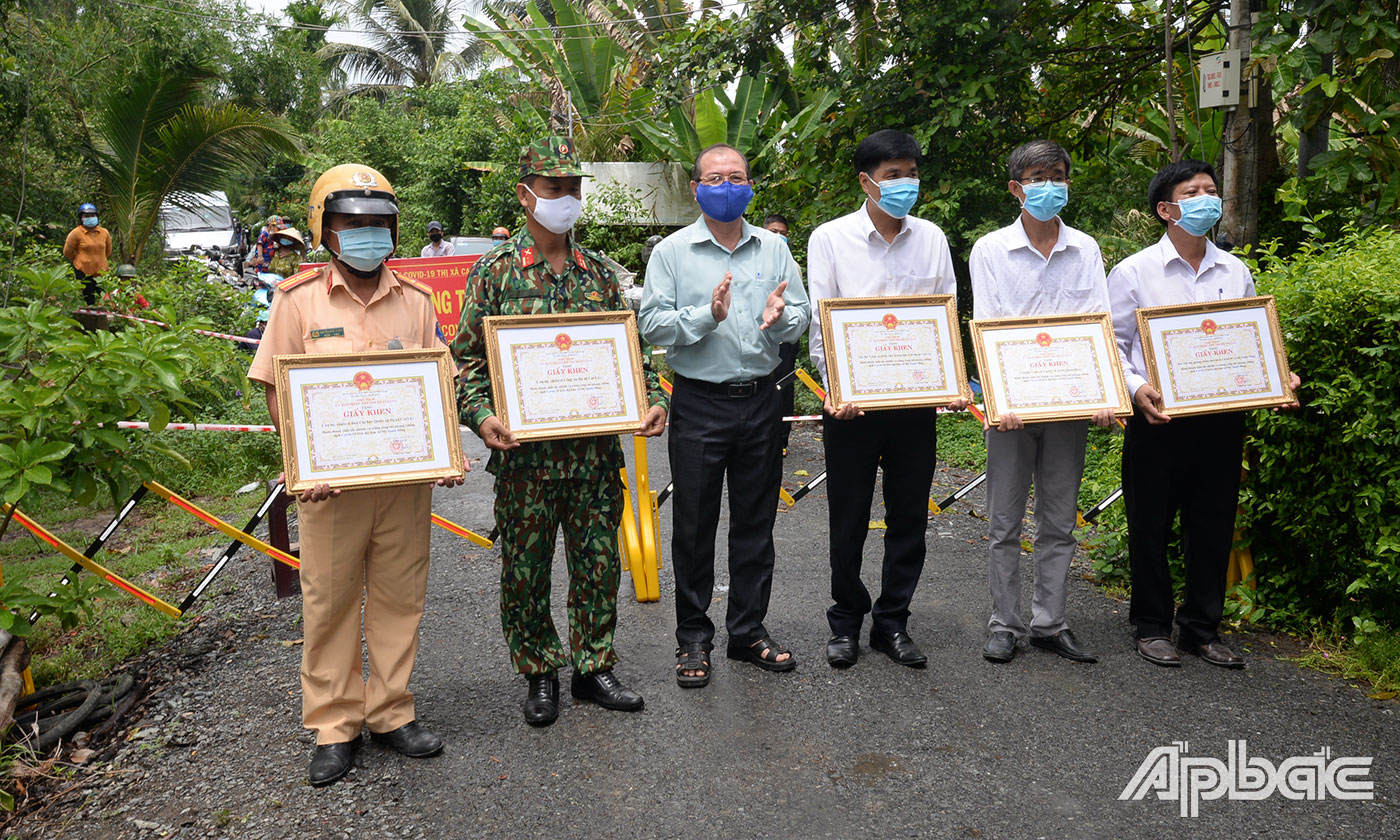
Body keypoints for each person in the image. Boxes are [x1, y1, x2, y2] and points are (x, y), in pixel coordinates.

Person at [247, 163, 463, 787]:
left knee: (400, 598)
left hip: (403, 486)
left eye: (379, 223)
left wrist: (446, 451)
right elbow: (276, 392)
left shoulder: (416, 302)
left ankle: (391, 711)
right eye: (353, 223)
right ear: (325, 229)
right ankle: (335, 724)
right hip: (331, 489)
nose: (369, 233)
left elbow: (438, 382)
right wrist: (299, 464)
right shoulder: (297, 302)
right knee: (331, 602)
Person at [453, 136, 669, 726]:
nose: (566, 197)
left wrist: (650, 399)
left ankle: (593, 666)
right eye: (554, 188)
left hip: (594, 457)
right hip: (525, 460)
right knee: (525, 570)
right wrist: (482, 416)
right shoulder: (493, 273)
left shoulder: (600, 273)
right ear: (526, 195)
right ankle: (540, 671)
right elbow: (466, 363)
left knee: (599, 563)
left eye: (574, 187)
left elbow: (633, 352)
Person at [1107, 159, 1300, 670]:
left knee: (1212, 522)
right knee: (1149, 524)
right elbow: (1113, 346)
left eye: (1210, 191)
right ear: (1166, 209)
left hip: (1221, 419)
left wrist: (1279, 377)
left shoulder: (1234, 270)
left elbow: (1250, 341)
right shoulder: (1133, 272)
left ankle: (1201, 628)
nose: (1205, 200)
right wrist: (1137, 387)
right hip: (1158, 420)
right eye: (1192, 192)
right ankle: (1151, 627)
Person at [639, 143, 811, 687]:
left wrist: (781, 320)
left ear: (750, 184)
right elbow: (652, 325)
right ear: (695, 189)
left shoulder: (775, 249)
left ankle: (747, 631)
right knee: (693, 524)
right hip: (700, 402)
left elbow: (800, 315)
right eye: (714, 178)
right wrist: (706, 315)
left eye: (736, 176)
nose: (726, 185)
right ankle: (693, 635)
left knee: (757, 522)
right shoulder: (670, 252)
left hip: (762, 399)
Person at [808, 129, 967, 670]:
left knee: (909, 520)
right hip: (851, 408)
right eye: (893, 175)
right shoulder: (829, 238)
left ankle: (893, 623)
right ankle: (846, 621)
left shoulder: (932, 237)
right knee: (848, 518)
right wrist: (836, 388)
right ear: (866, 181)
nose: (905, 184)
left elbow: (945, 313)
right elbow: (820, 322)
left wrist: (950, 379)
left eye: (911, 173)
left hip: (915, 409)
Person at [970, 139, 1118, 666]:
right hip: (1010, 411)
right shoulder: (989, 250)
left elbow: (1098, 324)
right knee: (1003, 522)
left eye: (1057, 176)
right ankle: (1004, 623)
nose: (1049, 185)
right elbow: (987, 326)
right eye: (1037, 178)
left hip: (1071, 408)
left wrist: (1106, 393)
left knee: (1058, 520)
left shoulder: (1087, 249)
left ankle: (1050, 622)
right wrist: (997, 397)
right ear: (1016, 188)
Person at [762, 214, 799, 455]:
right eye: (773, 232)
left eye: (783, 233)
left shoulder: (792, 265)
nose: (779, 237)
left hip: (785, 337)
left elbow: (800, 305)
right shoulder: (754, 261)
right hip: (761, 336)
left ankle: (782, 440)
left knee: (784, 386)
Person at [64, 203, 113, 305]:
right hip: (83, 272)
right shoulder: (76, 233)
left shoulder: (104, 233)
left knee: (104, 299)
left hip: (101, 273)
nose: (90, 218)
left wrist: (99, 260)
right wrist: (81, 259)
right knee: (88, 299)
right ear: (81, 218)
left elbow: (108, 251)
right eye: (86, 216)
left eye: (92, 215)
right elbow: (67, 252)